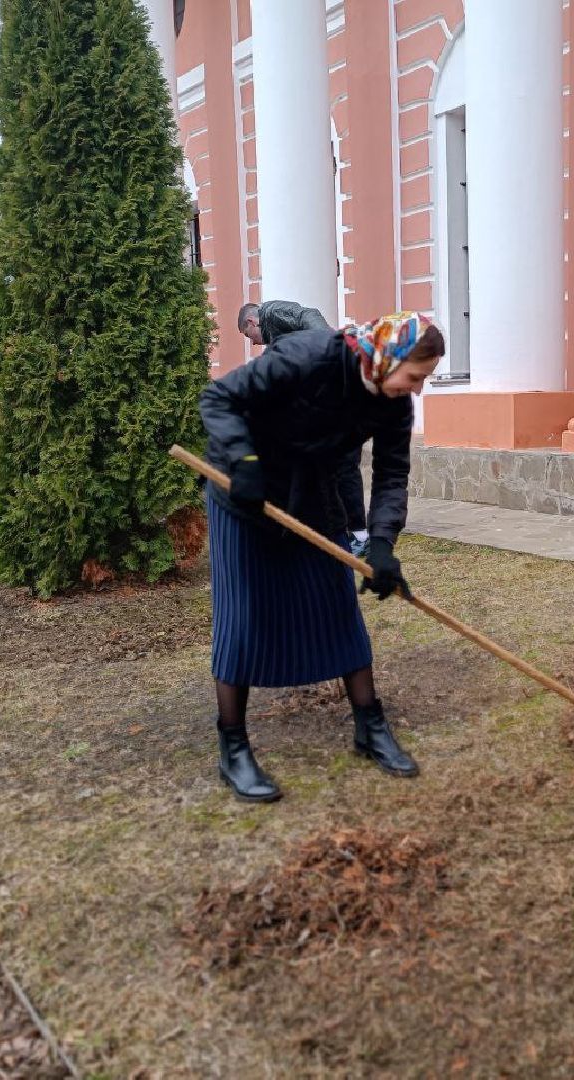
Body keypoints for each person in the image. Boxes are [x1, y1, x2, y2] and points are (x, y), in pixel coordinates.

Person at [200, 312, 445, 803]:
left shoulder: (392, 405)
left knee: (338, 606)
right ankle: (234, 746)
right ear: (387, 356)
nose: (417, 390)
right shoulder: (308, 355)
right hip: (243, 492)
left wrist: (381, 546)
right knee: (244, 616)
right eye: (416, 377)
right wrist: (244, 462)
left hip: (311, 491)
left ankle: (369, 727)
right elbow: (218, 397)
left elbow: (392, 474)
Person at [237, 300, 370, 557]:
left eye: (248, 336)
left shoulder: (271, 312)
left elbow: (310, 313)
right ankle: (346, 532)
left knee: (344, 467)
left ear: (252, 322)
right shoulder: (278, 346)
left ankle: (360, 535)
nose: (253, 343)